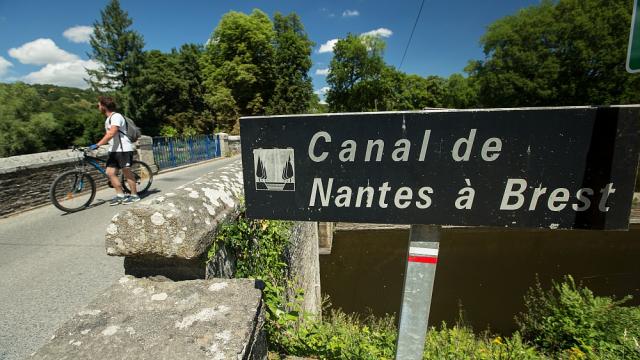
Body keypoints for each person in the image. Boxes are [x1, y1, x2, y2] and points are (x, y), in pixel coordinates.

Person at [89, 96, 140, 205]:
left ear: (103, 106)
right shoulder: (108, 119)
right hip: (114, 150)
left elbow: (111, 133)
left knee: (126, 172)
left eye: (99, 105)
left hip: (123, 149)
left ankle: (134, 195)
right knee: (110, 172)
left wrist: (97, 145)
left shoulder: (116, 116)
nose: (98, 107)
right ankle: (120, 195)